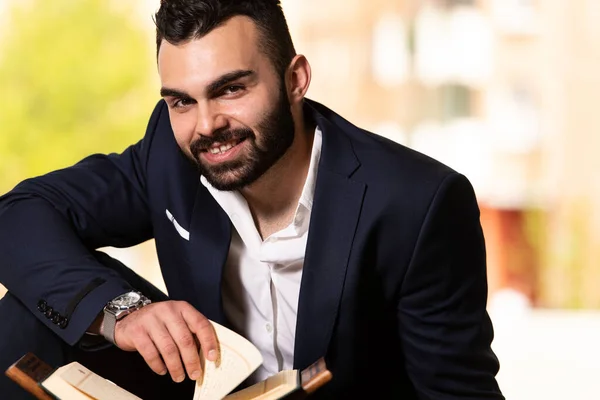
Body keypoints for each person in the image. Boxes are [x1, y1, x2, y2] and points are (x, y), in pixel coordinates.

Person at [0, 0, 504, 399]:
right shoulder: (172, 154)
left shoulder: (418, 203)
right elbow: (19, 215)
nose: (205, 125)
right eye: (181, 100)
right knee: (31, 314)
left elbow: (457, 390)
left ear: (295, 79)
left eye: (230, 90)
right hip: (205, 390)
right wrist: (123, 311)